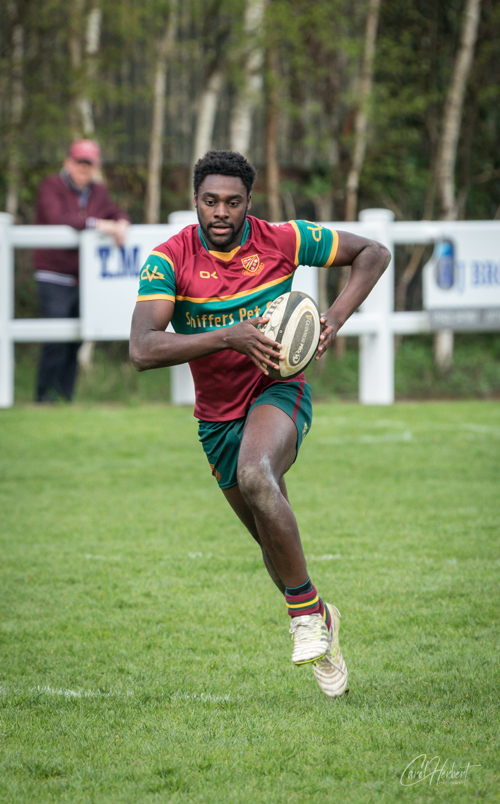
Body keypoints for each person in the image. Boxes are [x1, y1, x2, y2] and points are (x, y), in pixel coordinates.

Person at [129, 150, 390, 697]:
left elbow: (374, 252)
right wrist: (230, 335)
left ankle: (302, 620)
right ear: (195, 201)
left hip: (278, 389)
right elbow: (143, 349)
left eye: (232, 202)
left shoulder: (283, 239)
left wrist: (333, 319)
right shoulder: (167, 260)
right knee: (273, 545)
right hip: (216, 418)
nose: (220, 212)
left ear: (248, 203)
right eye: (209, 201)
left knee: (256, 474)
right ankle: (320, 615)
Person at [33, 139, 131, 402]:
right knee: (54, 338)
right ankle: (43, 397)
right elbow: (58, 219)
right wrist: (99, 224)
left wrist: (121, 221)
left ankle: (65, 397)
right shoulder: (51, 186)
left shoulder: (98, 191)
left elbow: (116, 211)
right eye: (79, 162)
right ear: (68, 162)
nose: (83, 168)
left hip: (83, 277)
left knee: (76, 339)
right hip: (53, 273)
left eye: (89, 163)